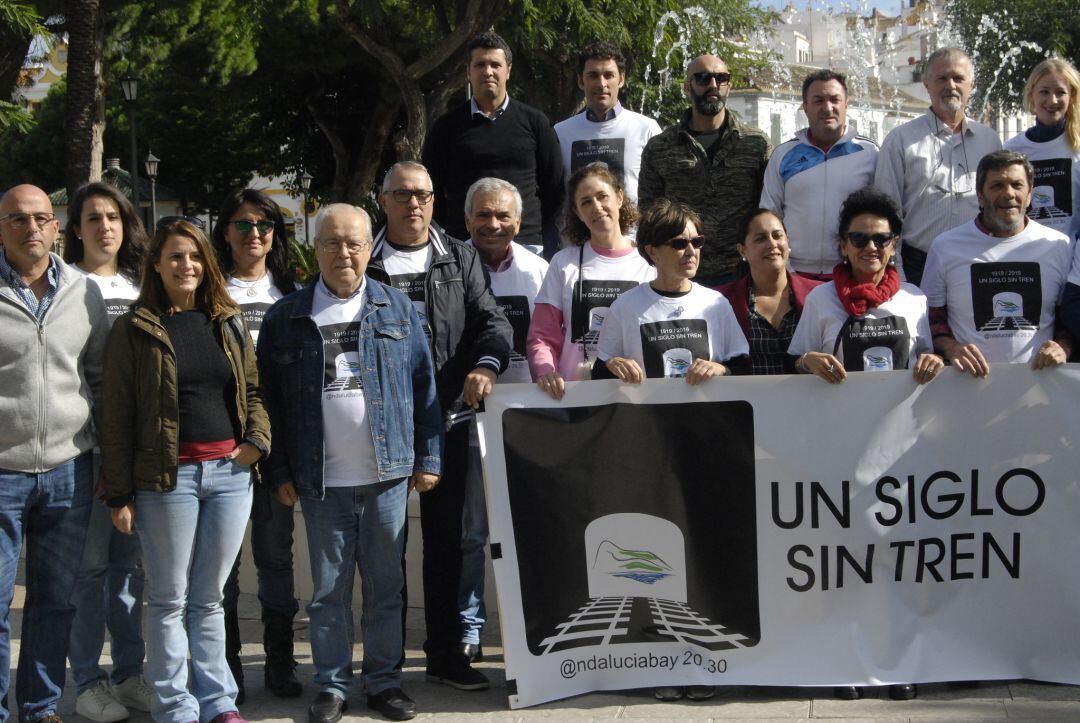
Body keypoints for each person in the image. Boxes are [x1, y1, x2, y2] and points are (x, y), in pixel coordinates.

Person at [258, 203, 442, 723]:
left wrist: (428, 458)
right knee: (328, 594)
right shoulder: (286, 317)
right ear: (315, 249)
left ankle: (384, 683)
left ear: (369, 248)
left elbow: (426, 390)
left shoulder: (399, 310)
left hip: (386, 477)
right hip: (321, 483)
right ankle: (333, 685)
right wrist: (280, 472)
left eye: (355, 243)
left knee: (387, 590)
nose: (344, 253)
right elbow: (267, 400)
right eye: (333, 243)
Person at [101, 218, 270, 723]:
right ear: (156, 264)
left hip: (229, 476)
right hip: (165, 481)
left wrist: (255, 443)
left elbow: (254, 393)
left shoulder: (228, 320)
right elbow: (116, 414)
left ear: (207, 262)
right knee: (169, 599)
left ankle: (219, 701)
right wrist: (119, 493)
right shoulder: (134, 328)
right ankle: (175, 705)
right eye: (175, 256)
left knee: (210, 598)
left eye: (194, 255)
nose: (186, 265)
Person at [366, 162, 512, 693]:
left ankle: (446, 654)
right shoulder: (366, 258)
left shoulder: (460, 254)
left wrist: (485, 364)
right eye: (402, 194)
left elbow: (491, 321)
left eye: (424, 194)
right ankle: (382, 665)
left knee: (448, 544)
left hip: (446, 420)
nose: (414, 204)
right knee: (383, 548)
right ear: (382, 200)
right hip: (379, 427)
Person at [0, 184, 108, 723]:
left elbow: (100, 377)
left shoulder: (83, 291)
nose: (32, 229)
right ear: (3, 227)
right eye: (19, 219)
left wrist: (107, 462)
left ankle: (40, 707)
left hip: (70, 466)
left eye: (42, 218)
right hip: (2, 473)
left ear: (57, 227)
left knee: (56, 600)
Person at [62, 182, 156, 723]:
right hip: (90, 449)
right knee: (90, 570)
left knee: (129, 569)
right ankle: (87, 681)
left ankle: (127, 674)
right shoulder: (68, 287)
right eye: (93, 218)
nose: (105, 227)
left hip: (141, 450)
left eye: (114, 217)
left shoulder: (141, 285)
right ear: (76, 229)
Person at [212, 189, 302, 704]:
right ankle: (226, 668)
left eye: (264, 225)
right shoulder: (209, 291)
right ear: (225, 232)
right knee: (223, 568)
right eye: (243, 225)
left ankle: (281, 663)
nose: (254, 235)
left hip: (277, 447)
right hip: (221, 446)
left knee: (276, 558)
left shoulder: (292, 291)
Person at [459, 177, 548, 660]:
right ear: (467, 218)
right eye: (483, 215)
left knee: (530, 529)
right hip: (469, 419)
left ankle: (529, 623)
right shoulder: (451, 267)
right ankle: (469, 629)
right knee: (472, 532)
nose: (493, 224)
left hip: (526, 422)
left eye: (503, 216)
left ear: (518, 220)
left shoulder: (539, 271)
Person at [922, 150, 1073, 376]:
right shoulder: (945, 247)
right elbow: (930, 319)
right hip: (966, 387)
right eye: (997, 186)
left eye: (1017, 185)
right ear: (980, 196)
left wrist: (1063, 347)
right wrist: (952, 348)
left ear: (1030, 194)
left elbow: (1069, 318)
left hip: (1040, 388)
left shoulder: (1059, 245)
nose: (1009, 194)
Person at [789, 187, 944, 395]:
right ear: (843, 245)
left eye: (881, 239)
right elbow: (796, 362)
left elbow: (928, 357)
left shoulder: (914, 298)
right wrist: (808, 362)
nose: (871, 247)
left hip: (902, 418)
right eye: (859, 239)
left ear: (893, 245)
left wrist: (935, 361)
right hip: (841, 416)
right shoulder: (820, 298)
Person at [423, 30, 564, 256]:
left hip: (525, 245)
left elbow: (554, 187)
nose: (488, 71)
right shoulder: (446, 127)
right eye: (480, 65)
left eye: (495, 65)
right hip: (463, 246)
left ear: (508, 70)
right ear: (468, 71)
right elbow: (432, 189)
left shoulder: (535, 122)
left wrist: (542, 235)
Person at [874, 47, 1002, 286]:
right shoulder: (900, 140)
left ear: (971, 85)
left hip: (978, 260)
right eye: (941, 78)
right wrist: (896, 272)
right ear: (926, 84)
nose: (950, 85)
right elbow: (886, 213)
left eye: (958, 78)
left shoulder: (990, 140)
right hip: (917, 265)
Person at [638, 54, 770, 284]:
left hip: (741, 275)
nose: (713, 85)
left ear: (729, 85)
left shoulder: (755, 144)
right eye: (703, 78)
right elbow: (650, 215)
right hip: (681, 275)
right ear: (687, 87)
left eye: (721, 78)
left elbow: (767, 208)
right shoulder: (660, 147)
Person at [527, 163, 655, 400]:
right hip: (575, 395)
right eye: (586, 202)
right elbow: (542, 336)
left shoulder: (651, 261)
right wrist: (545, 371)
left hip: (636, 395)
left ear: (619, 197)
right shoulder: (563, 263)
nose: (596, 207)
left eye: (602, 196)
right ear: (577, 212)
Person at [595, 198, 749, 387]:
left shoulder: (716, 303)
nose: (691, 251)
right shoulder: (624, 306)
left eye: (697, 242)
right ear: (652, 252)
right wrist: (612, 364)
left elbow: (743, 368)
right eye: (679, 243)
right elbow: (599, 374)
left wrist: (721, 369)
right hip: (648, 415)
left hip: (705, 414)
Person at [759, 69, 879, 278]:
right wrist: (784, 269)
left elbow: (884, 216)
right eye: (818, 100)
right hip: (795, 273)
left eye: (835, 99)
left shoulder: (870, 153)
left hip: (853, 272)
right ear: (805, 107)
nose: (827, 108)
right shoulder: (783, 155)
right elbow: (769, 216)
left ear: (846, 105)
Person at [553, 41, 661, 207]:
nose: (601, 84)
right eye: (593, 75)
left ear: (621, 79)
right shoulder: (560, 133)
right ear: (580, 81)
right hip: (577, 233)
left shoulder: (646, 129)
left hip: (633, 233)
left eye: (609, 75)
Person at [718, 209, 824, 374]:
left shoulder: (820, 294)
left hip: (810, 398)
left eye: (777, 236)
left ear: (788, 242)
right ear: (742, 250)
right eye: (760, 239)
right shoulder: (721, 301)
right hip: (748, 398)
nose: (772, 244)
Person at [1004, 57, 1080, 243]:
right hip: (1027, 257)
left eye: (1060, 92)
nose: (1052, 100)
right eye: (1044, 92)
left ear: (1072, 97)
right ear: (1032, 95)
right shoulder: (1012, 149)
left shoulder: (1077, 145)